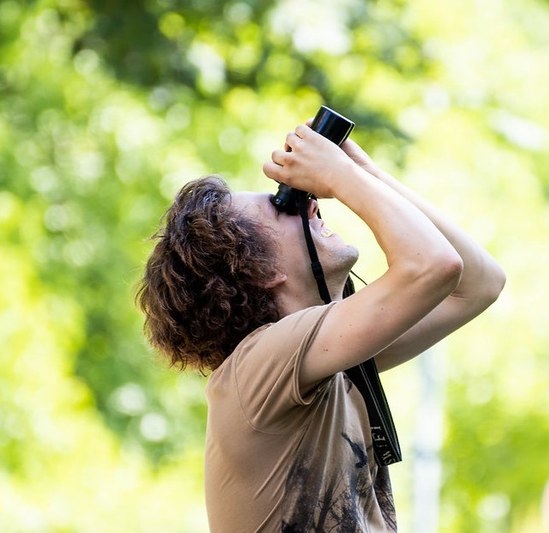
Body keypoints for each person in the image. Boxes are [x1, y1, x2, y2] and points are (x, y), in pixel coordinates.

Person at [137, 121, 506, 532]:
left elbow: (480, 284)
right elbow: (434, 267)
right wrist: (337, 176)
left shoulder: (330, 366)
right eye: (284, 205)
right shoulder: (256, 366)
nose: (312, 204)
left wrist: (364, 174)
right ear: (261, 270)